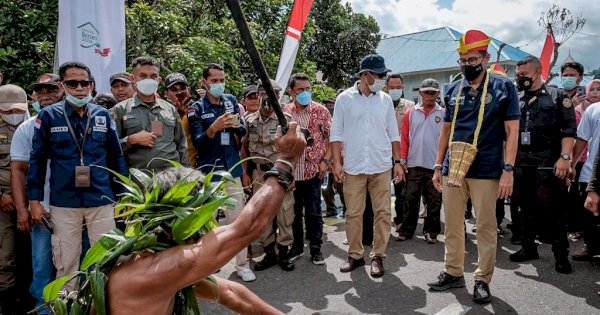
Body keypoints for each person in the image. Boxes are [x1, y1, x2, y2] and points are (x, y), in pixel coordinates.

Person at [427, 30, 519, 303]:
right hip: (453, 168)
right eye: (462, 60)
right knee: (453, 224)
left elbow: (512, 131)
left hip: (487, 168)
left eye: (472, 59)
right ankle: (453, 271)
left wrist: (508, 170)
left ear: (486, 58)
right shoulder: (453, 89)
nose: (467, 64)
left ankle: (482, 279)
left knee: (485, 226)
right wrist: (437, 166)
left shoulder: (504, 88)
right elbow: (445, 132)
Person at [27, 61, 129, 291]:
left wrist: (124, 194)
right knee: (66, 262)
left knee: (107, 259)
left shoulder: (104, 115)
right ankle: (68, 305)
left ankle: (103, 305)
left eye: (85, 83)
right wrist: (34, 200)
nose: (80, 88)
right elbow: (37, 160)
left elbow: (116, 156)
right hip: (64, 202)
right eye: (73, 83)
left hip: (101, 199)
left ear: (92, 85)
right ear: (63, 86)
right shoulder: (49, 116)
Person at [331, 54, 404, 277]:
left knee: (382, 213)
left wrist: (398, 162)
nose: (383, 79)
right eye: (380, 75)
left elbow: (393, 133)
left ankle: (378, 256)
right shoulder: (345, 99)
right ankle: (355, 255)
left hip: (381, 166)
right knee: (353, 213)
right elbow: (336, 133)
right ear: (365, 75)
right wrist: (336, 162)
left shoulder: (384, 101)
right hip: (353, 166)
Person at [508, 56, 576, 274]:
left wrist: (565, 158)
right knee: (523, 210)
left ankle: (560, 255)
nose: (520, 78)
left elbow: (569, 131)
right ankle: (529, 248)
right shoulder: (515, 98)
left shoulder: (558, 96)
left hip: (548, 165)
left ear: (538, 72)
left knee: (554, 212)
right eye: (518, 75)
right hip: (521, 164)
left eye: (524, 74)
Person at [187, 63, 254, 282]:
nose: (219, 84)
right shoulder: (196, 108)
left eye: (221, 80)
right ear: (204, 83)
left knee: (238, 220)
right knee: (209, 224)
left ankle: (242, 264)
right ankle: (209, 267)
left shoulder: (231, 101)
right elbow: (198, 143)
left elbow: (242, 130)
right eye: (214, 81)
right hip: (209, 173)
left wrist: (234, 124)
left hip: (232, 168)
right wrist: (212, 128)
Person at [12, 77, 61, 314]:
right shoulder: (27, 127)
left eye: (51, 90)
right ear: (34, 98)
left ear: (61, 90)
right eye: (40, 91)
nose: (45, 95)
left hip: (72, 207)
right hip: (41, 208)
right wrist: (24, 208)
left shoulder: (76, 122)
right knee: (41, 265)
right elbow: (18, 171)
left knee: (75, 262)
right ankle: (43, 310)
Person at [241, 88, 295, 271]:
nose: (266, 98)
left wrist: (292, 174)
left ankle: (284, 252)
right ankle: (269, 252)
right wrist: (245, 173)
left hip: (280, 173)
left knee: (284, 213)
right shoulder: (249, 120)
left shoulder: (285, 120)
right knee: (262, 213)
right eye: (262, 94)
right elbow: (244, 148)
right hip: (258, 173)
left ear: (278, 96)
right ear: (257, 95)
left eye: (271, 94)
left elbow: (294, 150)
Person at [283, 73, 331, 265]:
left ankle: (316, 249)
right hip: (292, 173)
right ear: (291, 92)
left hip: (313, 172)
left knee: (314, 212)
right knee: (293, 213)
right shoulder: (285, 112)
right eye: (300, 90)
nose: (305, 93)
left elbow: (331, 138)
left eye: (308, 89)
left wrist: (325, 161)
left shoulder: (321, 111)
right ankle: (296, 247)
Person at [111, 57, 189, 170]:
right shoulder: (120, 110)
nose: (148, 80)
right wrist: (130, 140)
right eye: (143, 76)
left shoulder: (170, 109)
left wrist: (187, 174)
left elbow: (182, 145)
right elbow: (109, 146)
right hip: (137, 180)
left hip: (171, 178)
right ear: (133, 79)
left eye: (153, 76)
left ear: (158, 79)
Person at [396, 79, 444, 244]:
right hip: (413, 164)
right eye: (427, 92)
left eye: (434, 92)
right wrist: (402, 160)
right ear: (420, 93)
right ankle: (406, 230)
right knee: (410, 199)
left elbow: (446, 140)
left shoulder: (443, 113)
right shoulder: (411, 112)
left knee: (434, 201)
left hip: (434, 166)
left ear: (438, 94)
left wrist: (442, 163)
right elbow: (404, 138)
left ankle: (432, 232)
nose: (430, 96)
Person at [0, 84, 31, 314]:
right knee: (5, 252)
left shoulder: (35, 126)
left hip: (32, 199)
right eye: (8, 111)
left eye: (17, 110)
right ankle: (7, 303)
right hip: (2, 201)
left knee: (31, 252)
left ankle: (27, 297)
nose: (13, 115)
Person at [569, 79, 600, 262]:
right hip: (591, 172)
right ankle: (591, 247)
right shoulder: (592, 111)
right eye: (593, 89)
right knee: (588, 215)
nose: (595, 92)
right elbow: (581, 139)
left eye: (599, 89)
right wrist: (572, 164)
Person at [386, 73, 415, 229]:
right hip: (383, 155)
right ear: (386, 88)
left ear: (403, 88)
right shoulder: (381, 104)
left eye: (398, 87)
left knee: (402, 191)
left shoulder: (410, 106)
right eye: (392, 87)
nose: (395, 90)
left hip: (403, 155)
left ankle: (401, 221)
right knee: (381, 192)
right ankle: (382, 221)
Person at [163, 72, 198, 167]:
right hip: (171, 168)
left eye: (182, 89)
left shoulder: (198, 109)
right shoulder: (160, 112)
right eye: (174, 90)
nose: (179, 93)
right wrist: (179, 115)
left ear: (189, 90)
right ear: (166, 94)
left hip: (195, 167)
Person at [322, 98, 346, 218]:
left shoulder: (341, 121)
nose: (329, 106)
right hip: (325, 162)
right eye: (327, 104)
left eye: (332, 104)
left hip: (338, 160)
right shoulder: (321, 121)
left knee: (341, 187)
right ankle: (331, 208)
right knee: (326, 189)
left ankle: (346, 209)